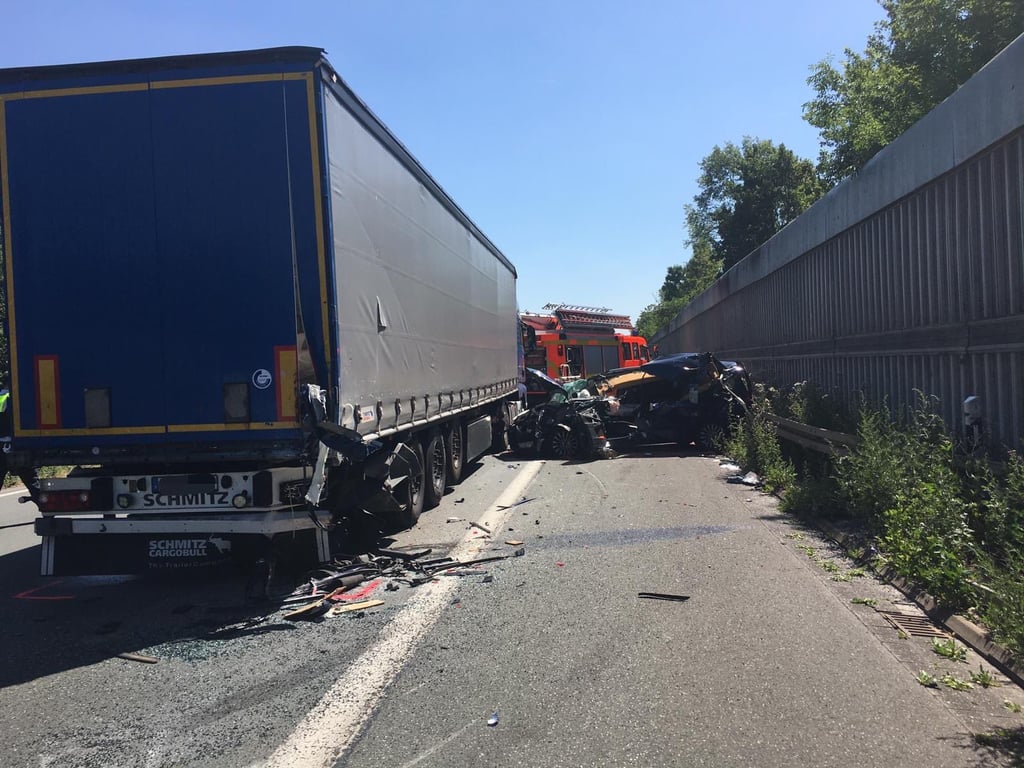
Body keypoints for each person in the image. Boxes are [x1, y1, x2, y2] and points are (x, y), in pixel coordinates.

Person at [0, 377, 40, 502]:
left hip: (1, 445)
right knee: (31, 480)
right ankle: (45, 509)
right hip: (19, 445)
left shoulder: (2, 397)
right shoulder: (20, 398)